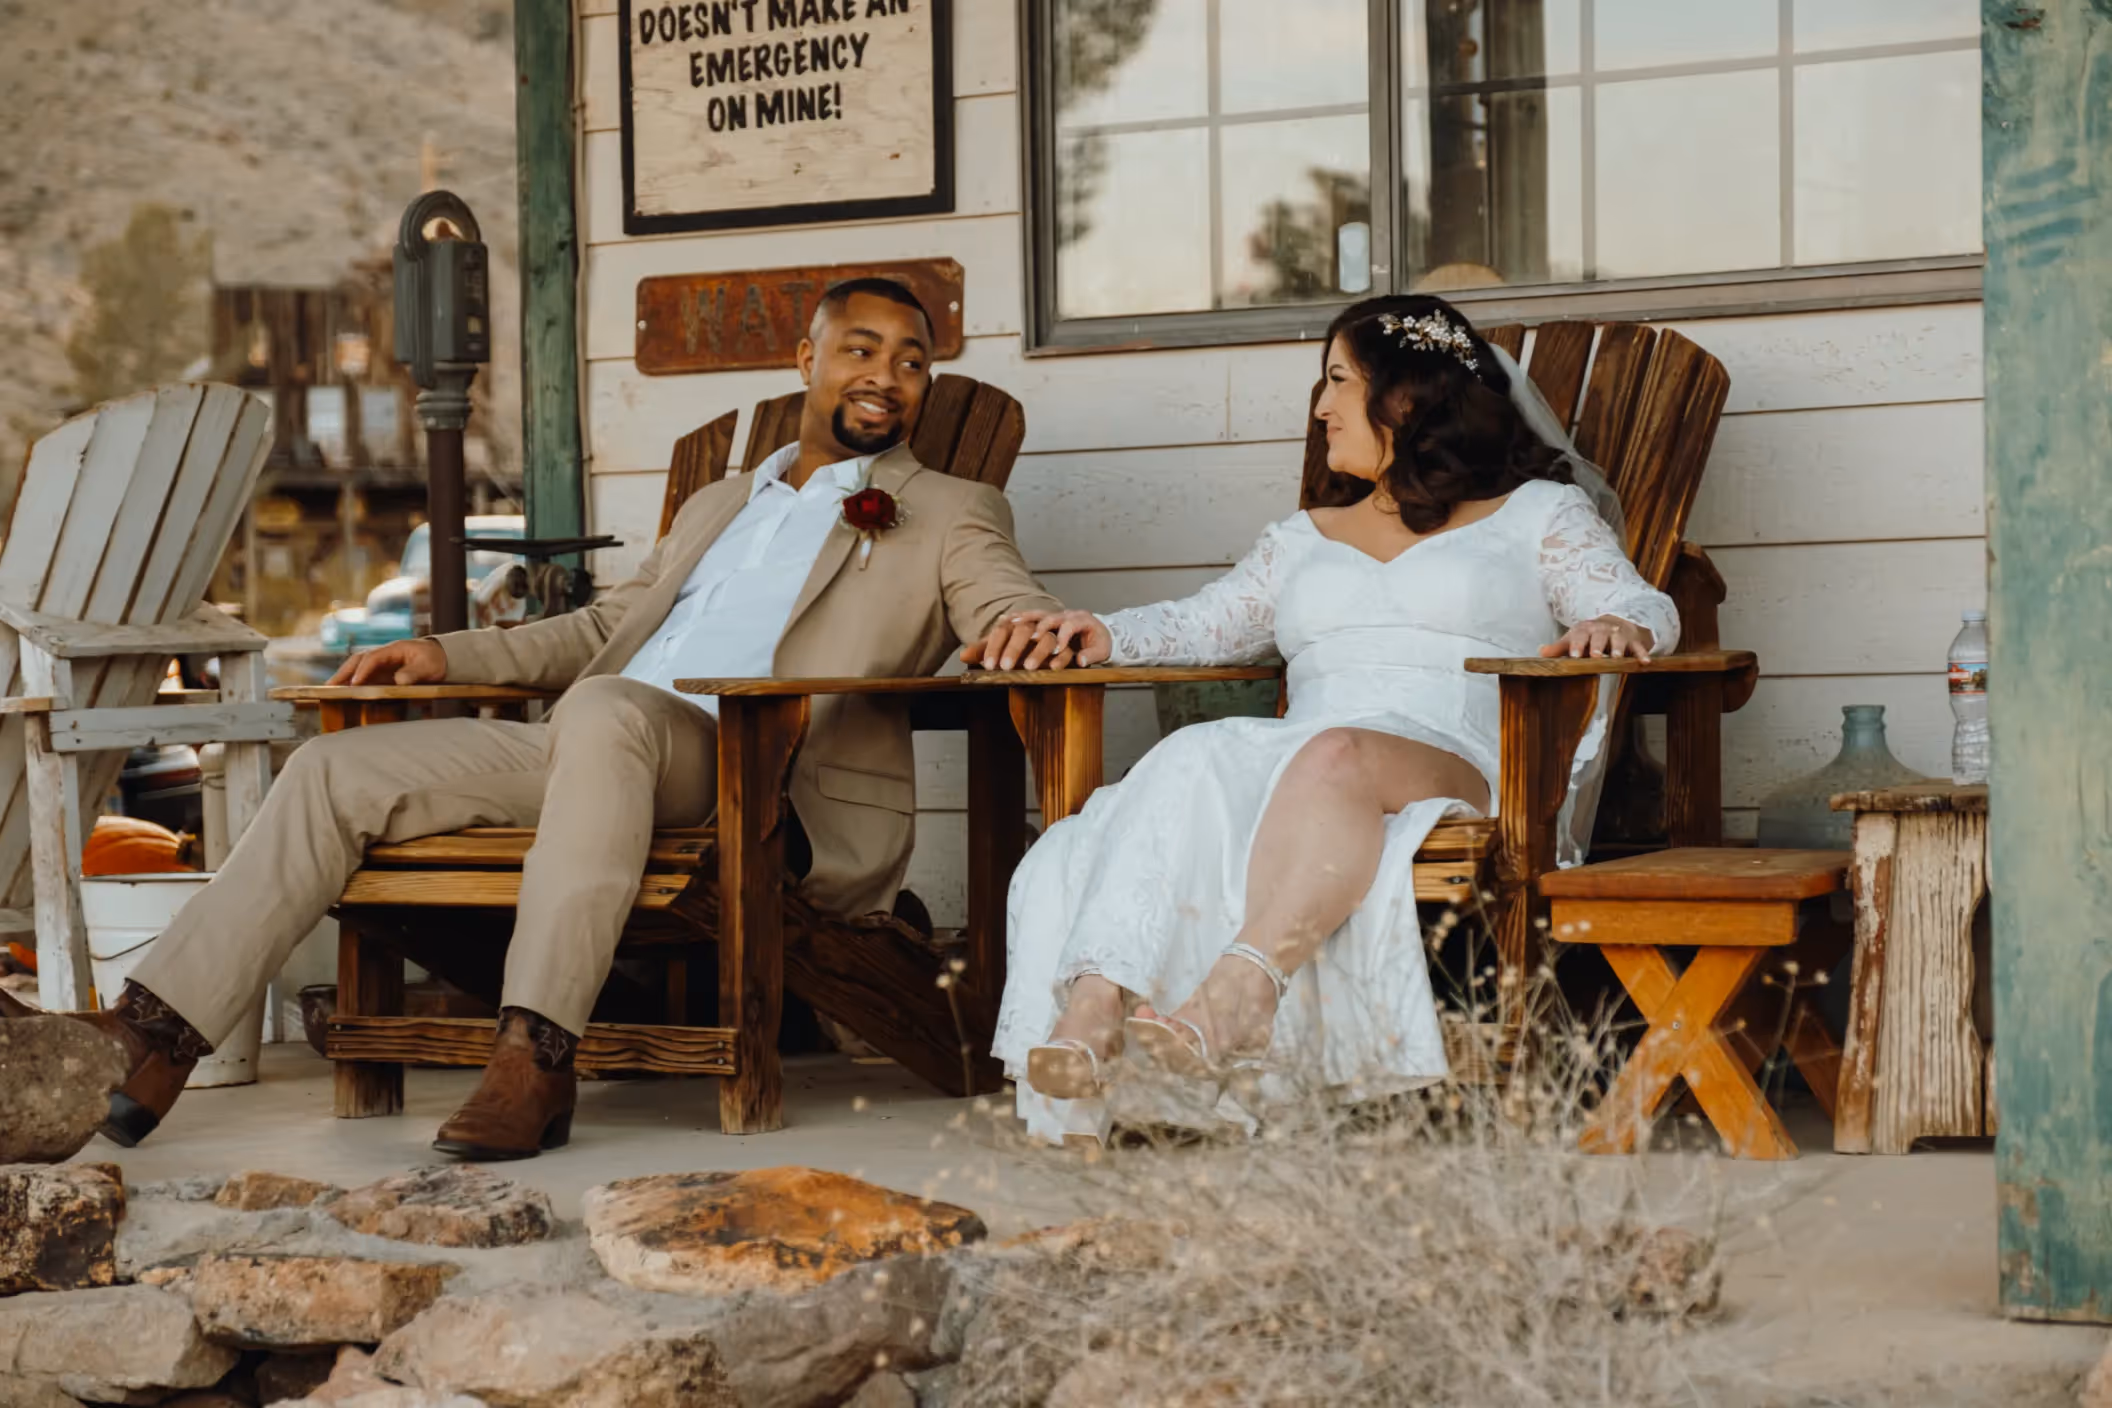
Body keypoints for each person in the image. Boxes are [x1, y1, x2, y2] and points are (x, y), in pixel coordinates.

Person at [0, 278, 1065, 1159]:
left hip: (757, 773)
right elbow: (603, 625)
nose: (886, 376)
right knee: (334, 774)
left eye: (913, 360)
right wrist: (444, 653)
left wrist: (1030, 629)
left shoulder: (951, 510)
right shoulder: (721, 502)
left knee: (606, 710)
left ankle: (535, 1055)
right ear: (807, 359)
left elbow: (1003, 600)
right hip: (595, 744)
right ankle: (155, 1032)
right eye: (862, 349)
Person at [988, 294, 1679, 1147]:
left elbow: (1636, 603)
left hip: (1462, 759)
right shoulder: (1302, 536)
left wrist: (1618, 626)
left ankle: (1244, 990)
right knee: (1199, 749)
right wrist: (1101, 633)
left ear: (1408, 396)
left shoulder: (1539, 516)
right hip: (1306, 759)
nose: (1319, 407)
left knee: (1334, 752)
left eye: (1338, 381)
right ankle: (1092, 1011)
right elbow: (1203, 625)